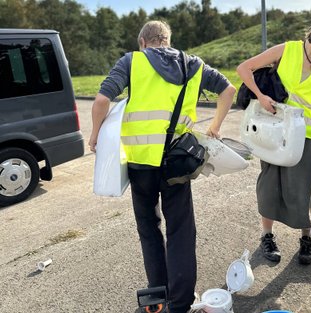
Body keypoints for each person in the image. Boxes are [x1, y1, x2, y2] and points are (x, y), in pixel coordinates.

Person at [89, 21, 236, 313]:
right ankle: (180, 303)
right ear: (167, 41)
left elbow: (102, 100)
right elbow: (229, 90)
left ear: (143, 42)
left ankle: (157, 297)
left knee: (149, 229)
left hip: (140, 163)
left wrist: (95, 135)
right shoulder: (193, 64)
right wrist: (216, 126)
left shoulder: (132, 61)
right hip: (177, 163)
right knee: (181, 231)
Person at [236, 11, 311, 265]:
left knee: (302, 188)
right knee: (269, 185)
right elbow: (244, 68)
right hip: (273, 131)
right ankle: (267, 237)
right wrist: (260, 95)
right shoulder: (287, 50)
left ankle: (306, 239)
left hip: (303, 134)